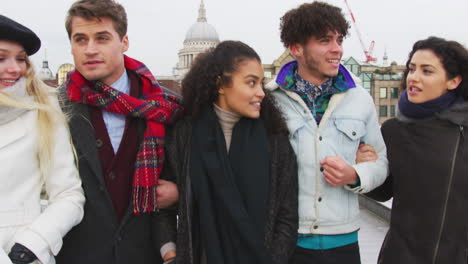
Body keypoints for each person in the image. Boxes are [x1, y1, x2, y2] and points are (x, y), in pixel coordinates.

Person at [56, 1, 182, 263]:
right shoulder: (53, 108)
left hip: (148, 253)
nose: (90, 50)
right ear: (71, 46)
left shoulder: (168, 108)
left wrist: (180, 194)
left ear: (124, 42)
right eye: (80, 39)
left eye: (102, 38)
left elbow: (199, 178)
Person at [265, 2, 389, 264]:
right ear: (296, 48)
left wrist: (355, 174)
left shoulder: (360, 99)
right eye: (325, 40)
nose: (337, 49)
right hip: (285, 240)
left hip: (343, 243)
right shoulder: (269, 100)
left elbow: (381, 162)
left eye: (339, 39)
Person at [163, 40, 298, 264]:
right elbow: (163, 206)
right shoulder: (183, 134)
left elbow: (287, 216)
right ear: (220, 84)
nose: (261, 93)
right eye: (251, 83)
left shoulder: (274, 139)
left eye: (261, 83)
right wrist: (170, 255)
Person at [365, 36, 468, 264]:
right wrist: (367, 168)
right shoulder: (394, 130)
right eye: (411, 69)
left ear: (454, 81)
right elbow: (384, 192)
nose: (414, 77)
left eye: (427, 71)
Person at [0, 15, 85, 264]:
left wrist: (31, 244)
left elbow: (69, 194)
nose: (15, 68)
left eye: (21, 58)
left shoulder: (44, 112)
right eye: (1, 58)